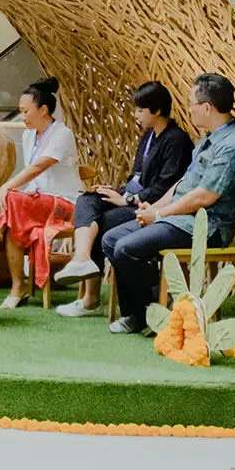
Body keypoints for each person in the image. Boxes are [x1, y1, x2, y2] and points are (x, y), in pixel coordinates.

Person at [102, 74, 235, 334]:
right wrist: (154, 209)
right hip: (179, 218)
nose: (189, 109)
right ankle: (145, 311)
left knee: (126, 248)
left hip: (205, 226)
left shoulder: (234, 145)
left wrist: (160, 213)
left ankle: (157, 311)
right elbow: (183, 183)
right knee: (111, 239)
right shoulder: (207, 139)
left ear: (207, 107)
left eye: (191, 104)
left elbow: (205, 196)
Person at [51, 82, 193, 316]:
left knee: (101, 223)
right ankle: (82, 258)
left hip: (149, 207)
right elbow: (136, 176)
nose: (135, 115)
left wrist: (127, 200)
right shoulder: (148, 136)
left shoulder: (176, 140)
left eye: (140, 110)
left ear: (156, 111)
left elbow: (166, 186)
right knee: (87, 200)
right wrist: (115, 191)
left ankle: (90, 298)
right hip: (131, 196)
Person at [0, 78, 83, 308]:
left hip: (65, 205)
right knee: (14, 214)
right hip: (39, 203)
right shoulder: (29, 136)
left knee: (10, 200)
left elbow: (38, 167)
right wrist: (13, 193)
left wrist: (7, 187)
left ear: (43, 110)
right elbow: (34, 180)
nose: (23, 116)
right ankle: (16, 288)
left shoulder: (62, 134)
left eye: (25, 111)